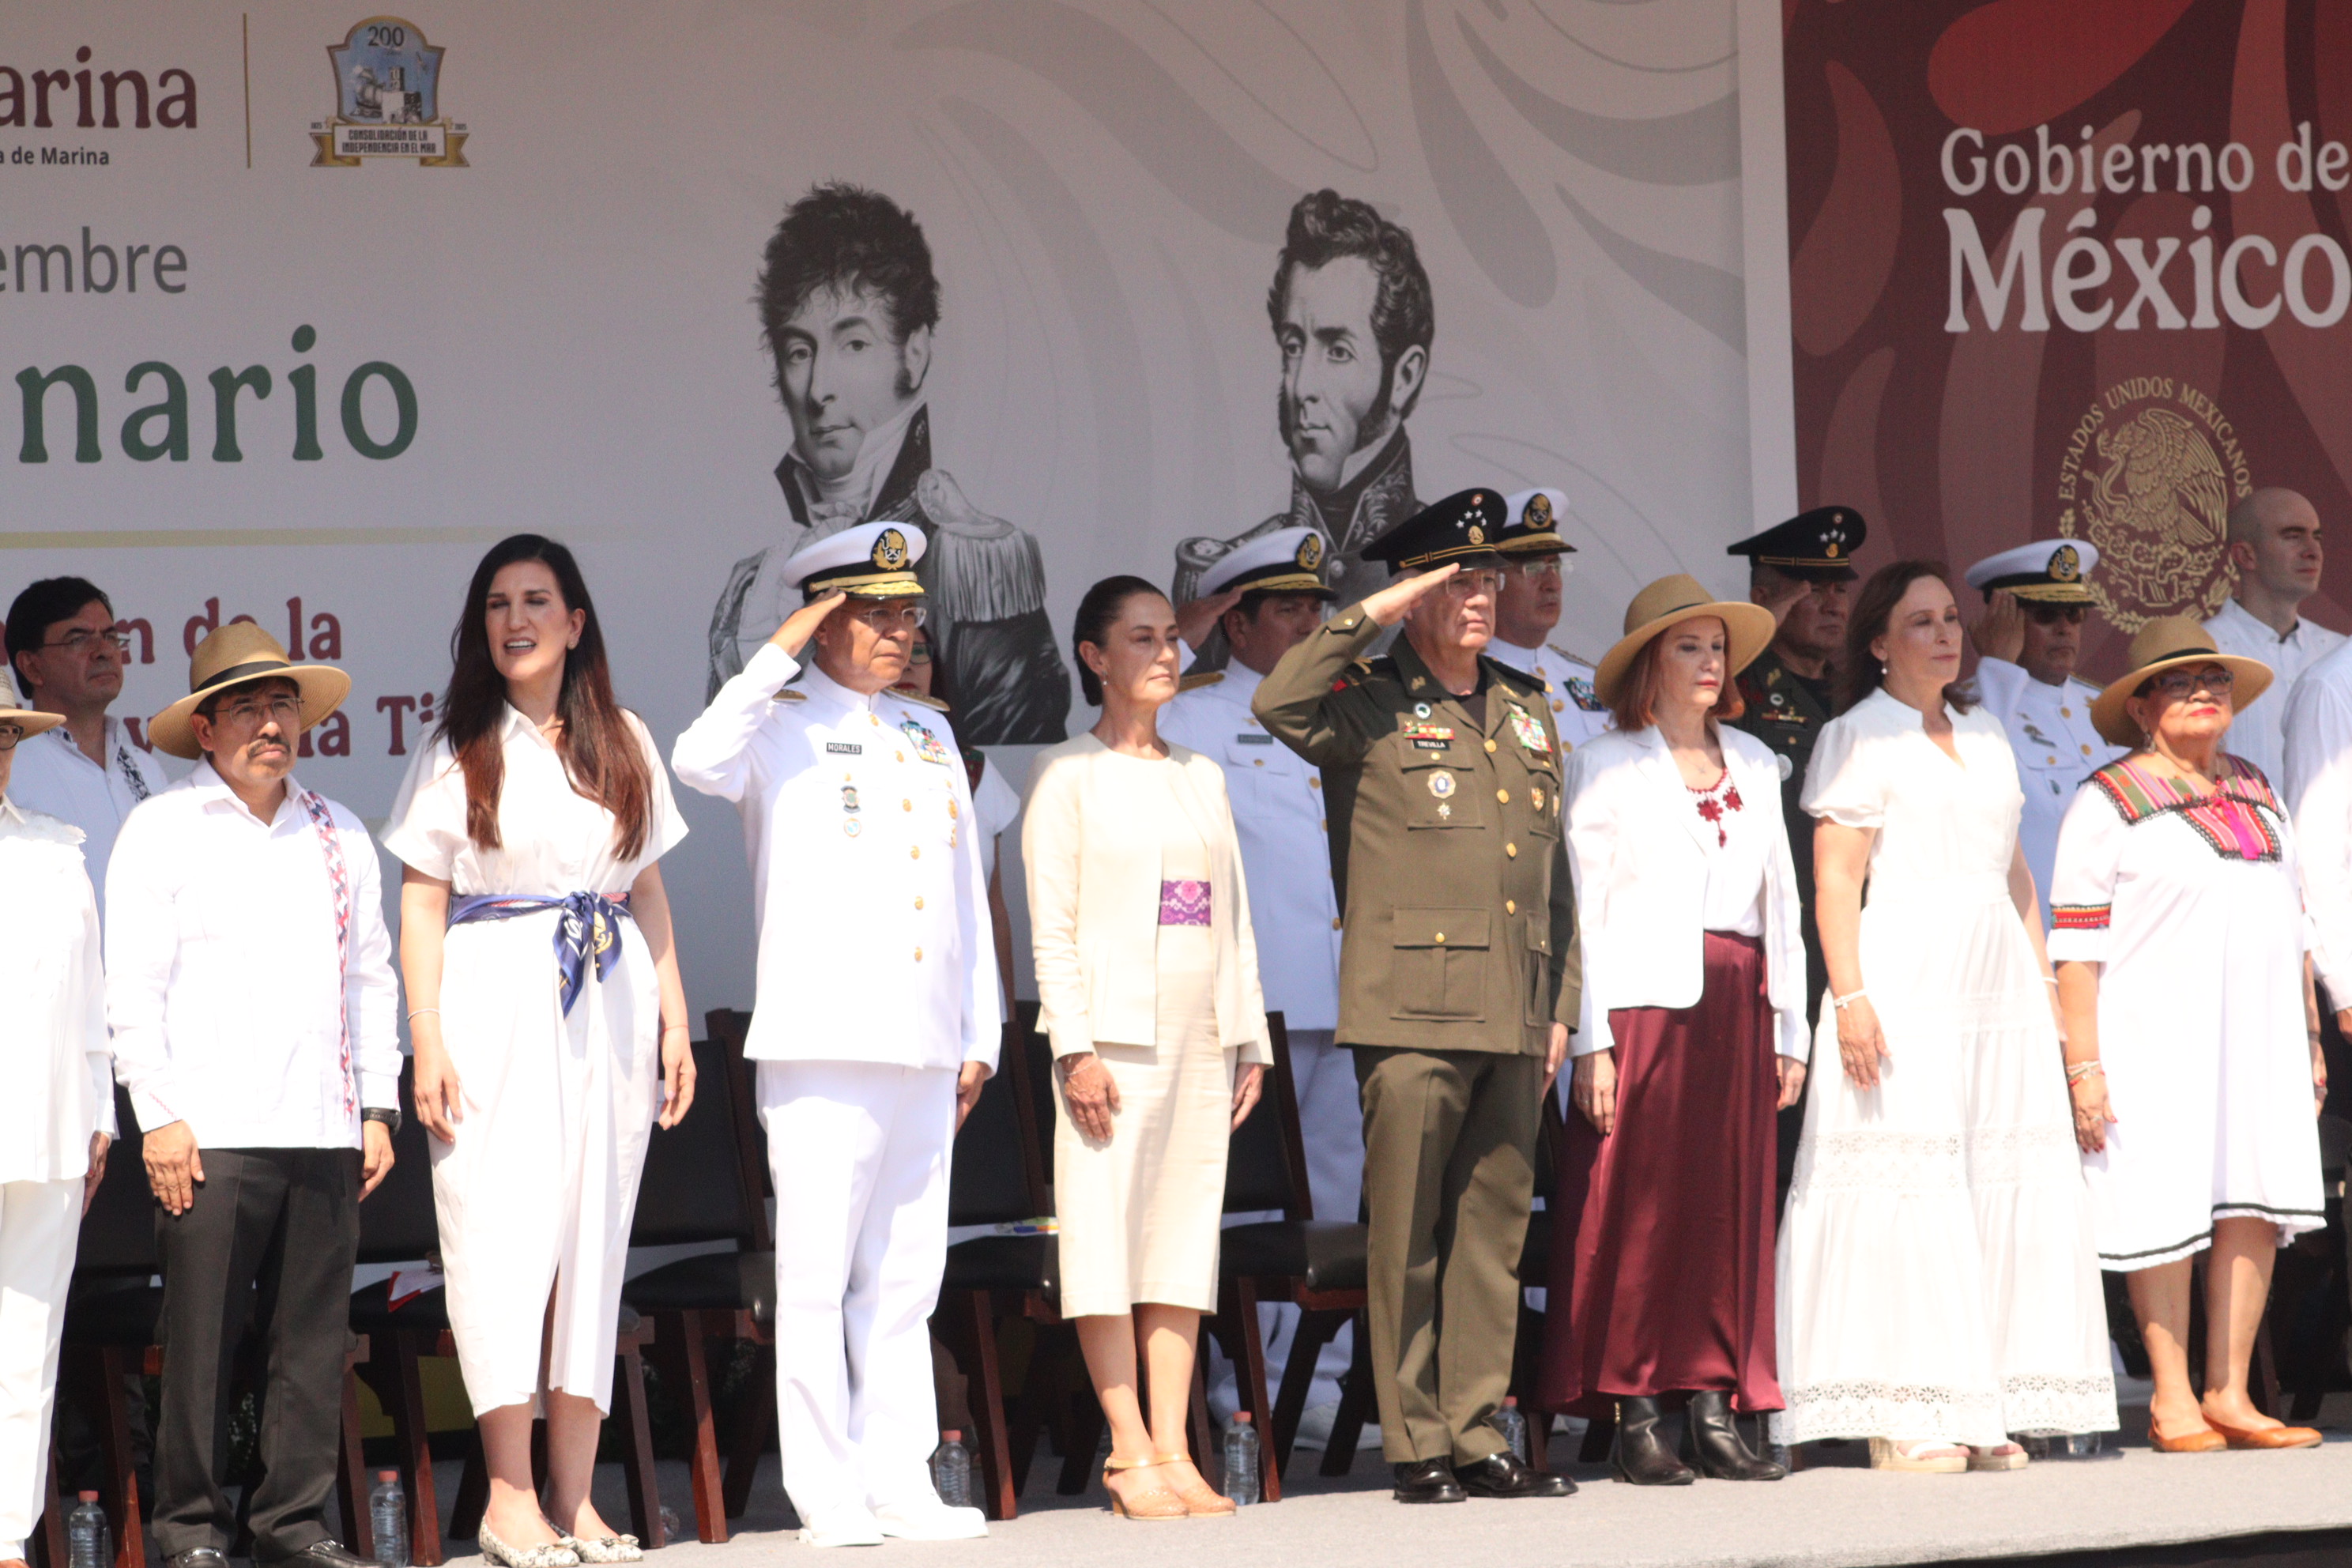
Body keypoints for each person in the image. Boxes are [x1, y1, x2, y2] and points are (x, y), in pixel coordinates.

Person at [674, 522, 1000, 1546]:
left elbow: (963, 894)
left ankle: (900, 1480)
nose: (901, 632)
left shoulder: (928, 733)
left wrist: (980, 1030)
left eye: (908, 613)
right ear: (823, 620)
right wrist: (783, 644)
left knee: (907, 1276)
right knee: (815, 1279)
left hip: (924, 1041)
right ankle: (826, 1491)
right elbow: (694, 758)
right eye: (875, 613)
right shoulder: (776, 724)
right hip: (822, 1040)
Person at [1255, 489, 1577, 1505]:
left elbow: (1553, 874)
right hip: (1410, 1009)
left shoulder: (1526, 704)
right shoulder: (1367, 697)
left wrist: (1561, 1002)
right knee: (1406, 1235)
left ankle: (1478, 1428)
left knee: (1491, 1232)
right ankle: (1416, 1437)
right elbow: (1277, 705)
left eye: (1487, 578)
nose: (1480, 596)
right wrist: (1374, 612)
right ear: (1412, 592)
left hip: (1514, 1005)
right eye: (1456, 581)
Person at [384, 536, 692, 1568]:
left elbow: (646, 887)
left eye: (535, 600)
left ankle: (575, 1495)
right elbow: (421, 898)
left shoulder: (625, 738)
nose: (515, 620)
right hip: (495, 994)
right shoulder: (456, 745)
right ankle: (507, 1498)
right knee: (501, 1232)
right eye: (497, 604)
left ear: (575, 620)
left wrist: (674, 1019)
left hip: (610, 995)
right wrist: (427, 1038)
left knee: (591, 1238)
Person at [1771, 561, 2116, 1474]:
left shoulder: (1987, 729)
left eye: (1951, 619)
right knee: (1910, 1179)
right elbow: (1835, 881)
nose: (1945, 634)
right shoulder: (1855, 735)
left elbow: (2016, 874)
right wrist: (1850, 998)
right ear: (1880, 642)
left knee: (1992, 1178)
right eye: (1921, 622)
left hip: (1997, 981)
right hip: (1904, 974)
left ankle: (1979, 1396)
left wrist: (2044, 987)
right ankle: (1904, 1408)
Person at [106, 624, 398, 1568]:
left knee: (309, 1343)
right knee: (201, 1342)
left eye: (283, 705)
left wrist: (377, 1106)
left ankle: (292, 1525)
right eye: (247, 708)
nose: (271, 724)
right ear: (205, 727)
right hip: (211, 1130)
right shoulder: (163, 827)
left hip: (322, 1122)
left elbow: (371, 979)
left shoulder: (338, 829)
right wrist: (158, 1115)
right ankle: (191, 1530)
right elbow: (131, 985)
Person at [1539, 575, 1800, 1486]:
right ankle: (1637, 1406)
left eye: (1717, 646)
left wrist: (1792, 1028)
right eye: (1689, 646)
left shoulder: (1758, 762)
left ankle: (1715, 1403)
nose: (1709, 661)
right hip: (1643, 1005)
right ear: (1649, 664)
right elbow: (1582, 911)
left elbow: (1783, 902)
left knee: (1726, 1205)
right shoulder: (1606, 763)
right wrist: (1591, 1042)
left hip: (1740, 1001)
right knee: (1638, 1205)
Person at [1025, 576, 1270, 1521]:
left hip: (1200, 1038)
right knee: (1105, 1241)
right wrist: (1074, 1048)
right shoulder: (1067, 776)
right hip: (1112, 1046)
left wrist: (1247, 1033)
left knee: (1179, 1241)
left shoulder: (1201, 773)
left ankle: (1174, 1445)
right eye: (1142, 638)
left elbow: (1233, 917)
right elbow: (1052, 931)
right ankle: (1127, 1447)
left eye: (1172, 635)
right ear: (1095, 657)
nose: (1166, 652)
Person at [2051, 618, 2324, 1453]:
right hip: (2153, 1038)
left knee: (2254, 1199)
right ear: (2140, 707)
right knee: (2160, 1197)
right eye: (2179, 681)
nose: (2204, 691)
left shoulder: (2259, 788)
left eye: (2215, 678)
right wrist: (2084, 1065)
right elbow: (2075, 947)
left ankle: (2229, 1391)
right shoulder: (2107, 800)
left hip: (2261, 1036)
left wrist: (2310, 1034)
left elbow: (2296, 919)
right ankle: (2171, 1397)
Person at [706, 183, 1069, 744]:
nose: (818, 390)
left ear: (914, 354)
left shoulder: (971, 562)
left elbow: (998, 754)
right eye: (800, 352)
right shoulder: (752, 585)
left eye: (854, 344)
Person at [1160, 530, 1357, 1439]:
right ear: (1236, 626)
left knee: (1338, 1196)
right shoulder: (1195, 716)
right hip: (1255, 998)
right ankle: (1247, 1388)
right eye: (1288, 610)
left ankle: (1325, 1383)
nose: (1311, 624)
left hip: (1347, 990)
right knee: (1250, 1202)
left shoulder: (1346, 707)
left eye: (1317, 608)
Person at [1173, 190, 1434, 642]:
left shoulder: (1456, 577)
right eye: (1294, 346)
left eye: (1338, 351)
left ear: (1405, 377)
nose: (1302, 385)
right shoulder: (1226, 578)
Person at [0, 669, 114, 1568]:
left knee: (27, 1341)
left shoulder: (53, 848)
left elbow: (90, 999)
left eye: (5, 736)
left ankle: (6, 1535)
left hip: (47, 1126)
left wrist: (98, 1111)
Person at [1727, 508, 1867, 1185]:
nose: (1833, 602)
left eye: (1840, 587)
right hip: (1786, 938)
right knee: (1783, 1124)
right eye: (1813, 588)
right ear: (1768, 596)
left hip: (1863, 930)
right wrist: (1754, 636)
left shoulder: (1862, 691)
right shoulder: (1741, 690)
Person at [1962, 541, 2125, 919]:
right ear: (2006, 620)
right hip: (2035, 928)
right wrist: (1997, 668)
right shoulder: (1970, 708)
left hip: (2118, 925)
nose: (2064, 629)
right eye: (2046, 615)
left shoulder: (2108, 706)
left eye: (2074, 614)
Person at [4, 577, 174, 915]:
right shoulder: (11, 768)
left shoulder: (146, 769)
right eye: (78, 639)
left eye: (110, 636)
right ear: (32, 666)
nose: (103, 651)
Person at [896, 621, 1018, 1013]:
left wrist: (1009, 1012)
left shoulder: (970, 768)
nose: (908, 664)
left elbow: (994, 906)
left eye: (919, 652)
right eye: (898, 650)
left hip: (972, 1003)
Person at [2203, 488, 2339, 785]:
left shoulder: (2339, 654)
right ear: (2245, 555)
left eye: (2317, 537)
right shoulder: (2201, 653)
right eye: (2293, 536)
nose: (2313, 551)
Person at [1486, 489, 1610, 753]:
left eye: (1556, 566)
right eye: (1533, 569)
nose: (1552, 584)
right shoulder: (1471, 681)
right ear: (1493, 581)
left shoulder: (1590, 681)